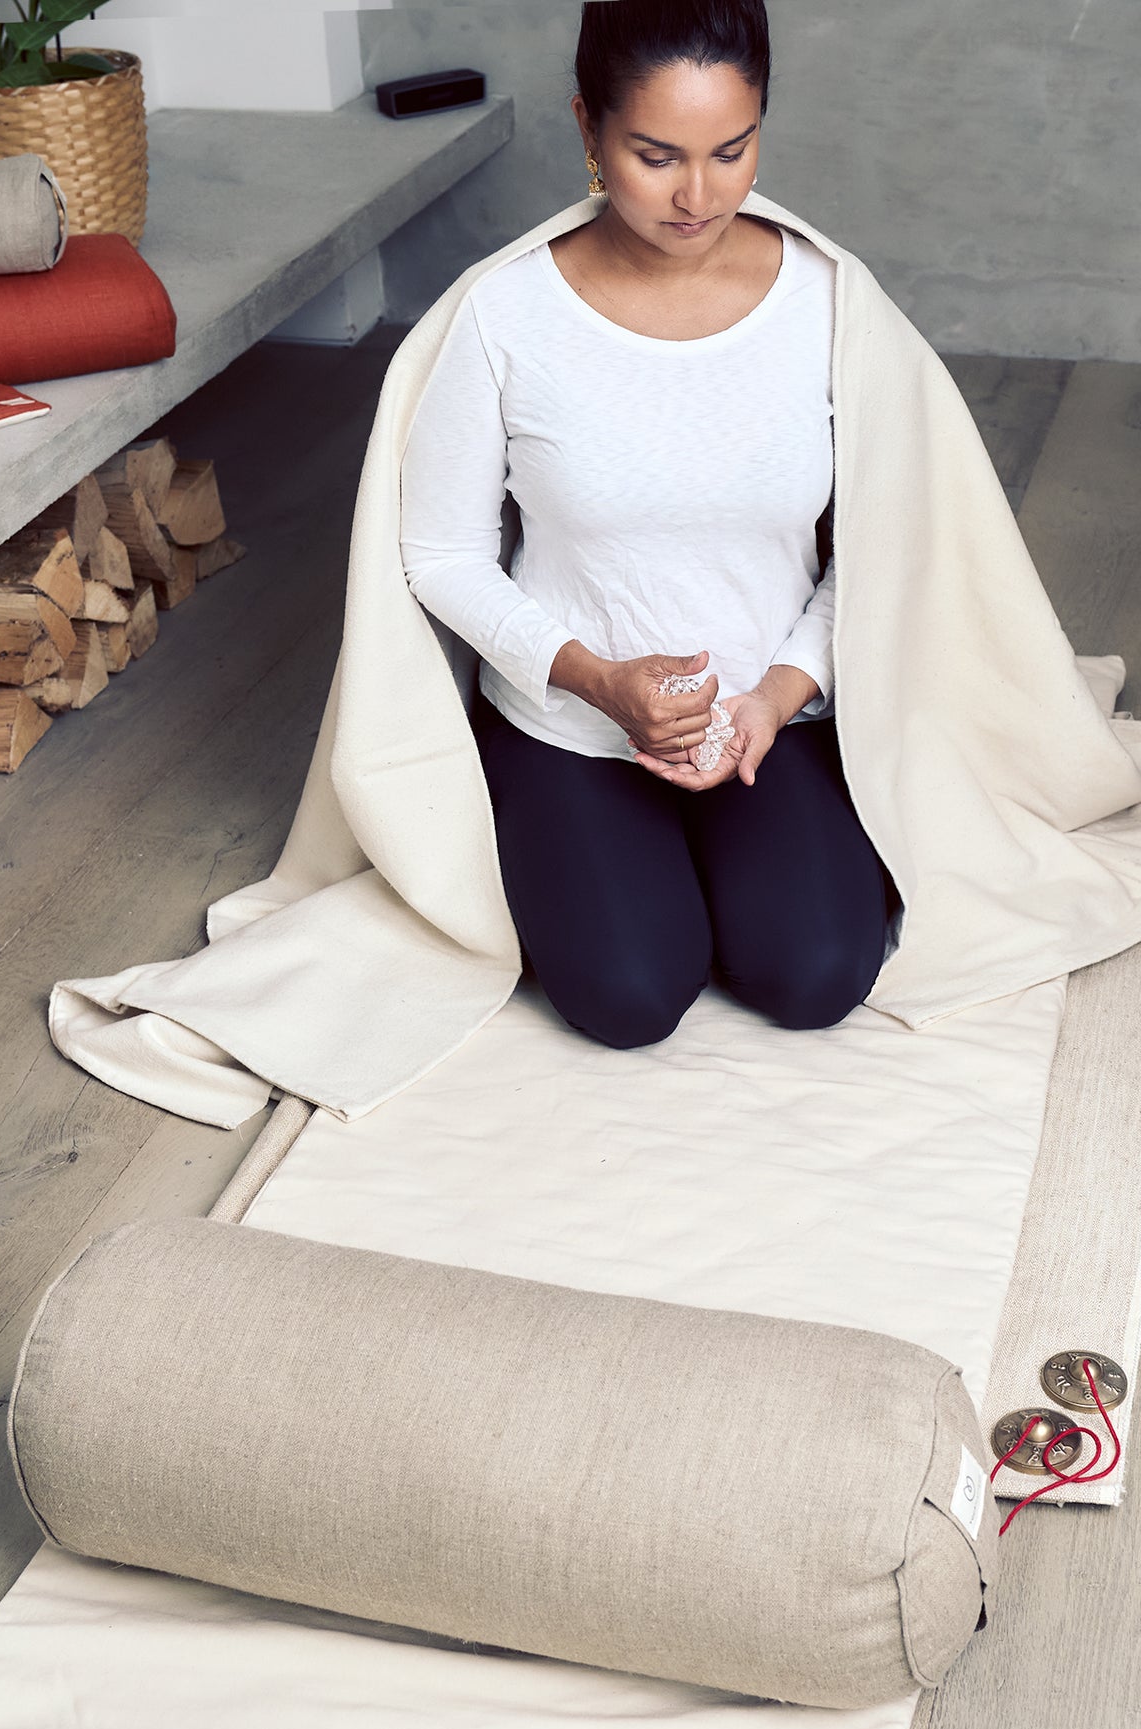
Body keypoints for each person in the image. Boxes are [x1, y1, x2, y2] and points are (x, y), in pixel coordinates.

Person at [399, 0, 893, 1052]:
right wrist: (591, 679)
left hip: (767, 722)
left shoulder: (827, 302)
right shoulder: (504, 315)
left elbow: (889, 548)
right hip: (571, 724)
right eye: (655, 154)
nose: (697, 194)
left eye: (732, 149)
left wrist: (778, 690)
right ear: (587, 128)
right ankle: (602, 847)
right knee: (628, 996)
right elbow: (439, 554)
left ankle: (724, 857)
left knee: (816, 975)